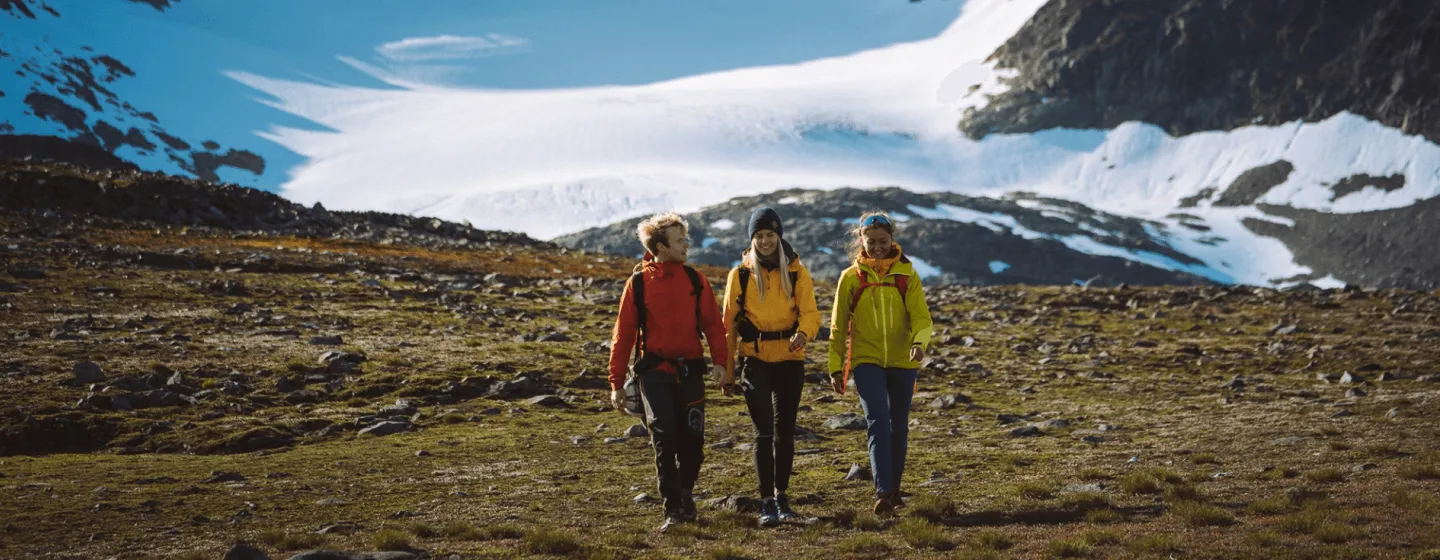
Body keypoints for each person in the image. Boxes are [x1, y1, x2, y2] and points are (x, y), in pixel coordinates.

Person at [607, 212, 729, 533]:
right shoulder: (637, 284)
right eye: (680, 241)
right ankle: (673, 509)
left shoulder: (695, 280)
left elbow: (714, 325)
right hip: (654, 374)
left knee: (694, 441)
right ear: (661, 246)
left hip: (691, 372)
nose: (687, 245)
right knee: (664, 437)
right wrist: (616, 383)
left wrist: (721, 362)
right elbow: (624, 336)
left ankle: (685, 491)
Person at [826, 211, 934, 515]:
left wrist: (919, 343)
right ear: (860, 240)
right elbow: (837, 327)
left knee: (898, 428)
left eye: (883, 241)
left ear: (892, 239)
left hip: (903, 359)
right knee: (877, 421)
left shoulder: (907, 275)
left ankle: (895, 489)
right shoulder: (850, 278)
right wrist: (835, 368)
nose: (877, 247)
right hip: (866, 359)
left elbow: (921, 316)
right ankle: (883, 492)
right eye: (871, 241)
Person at [721, 207, 821, 528]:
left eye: (770, 235)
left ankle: (782, 496)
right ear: (752, 239)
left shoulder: (797, 272)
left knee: (785, 434)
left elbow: (810, 313)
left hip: (790, 361)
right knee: (763, 434)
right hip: (756, 361)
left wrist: (803, 334)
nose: (764, 242)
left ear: (779, 237)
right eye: (759, 236)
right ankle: (766, 503)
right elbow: (728, 325)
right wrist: (728, 371)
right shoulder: (740, 275)